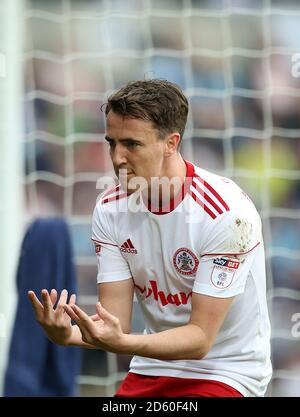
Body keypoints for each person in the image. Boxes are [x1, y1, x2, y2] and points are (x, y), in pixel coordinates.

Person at [28, 79, 272, 397]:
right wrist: (68, 335)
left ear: (171, 143)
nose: (117, 158)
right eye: (111, 143)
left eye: (132, 144)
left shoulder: (227, 214)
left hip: (226, 371)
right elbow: (114, 324)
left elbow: (200, 339)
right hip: (153, 366)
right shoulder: (110, 208)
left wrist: (125, 343)